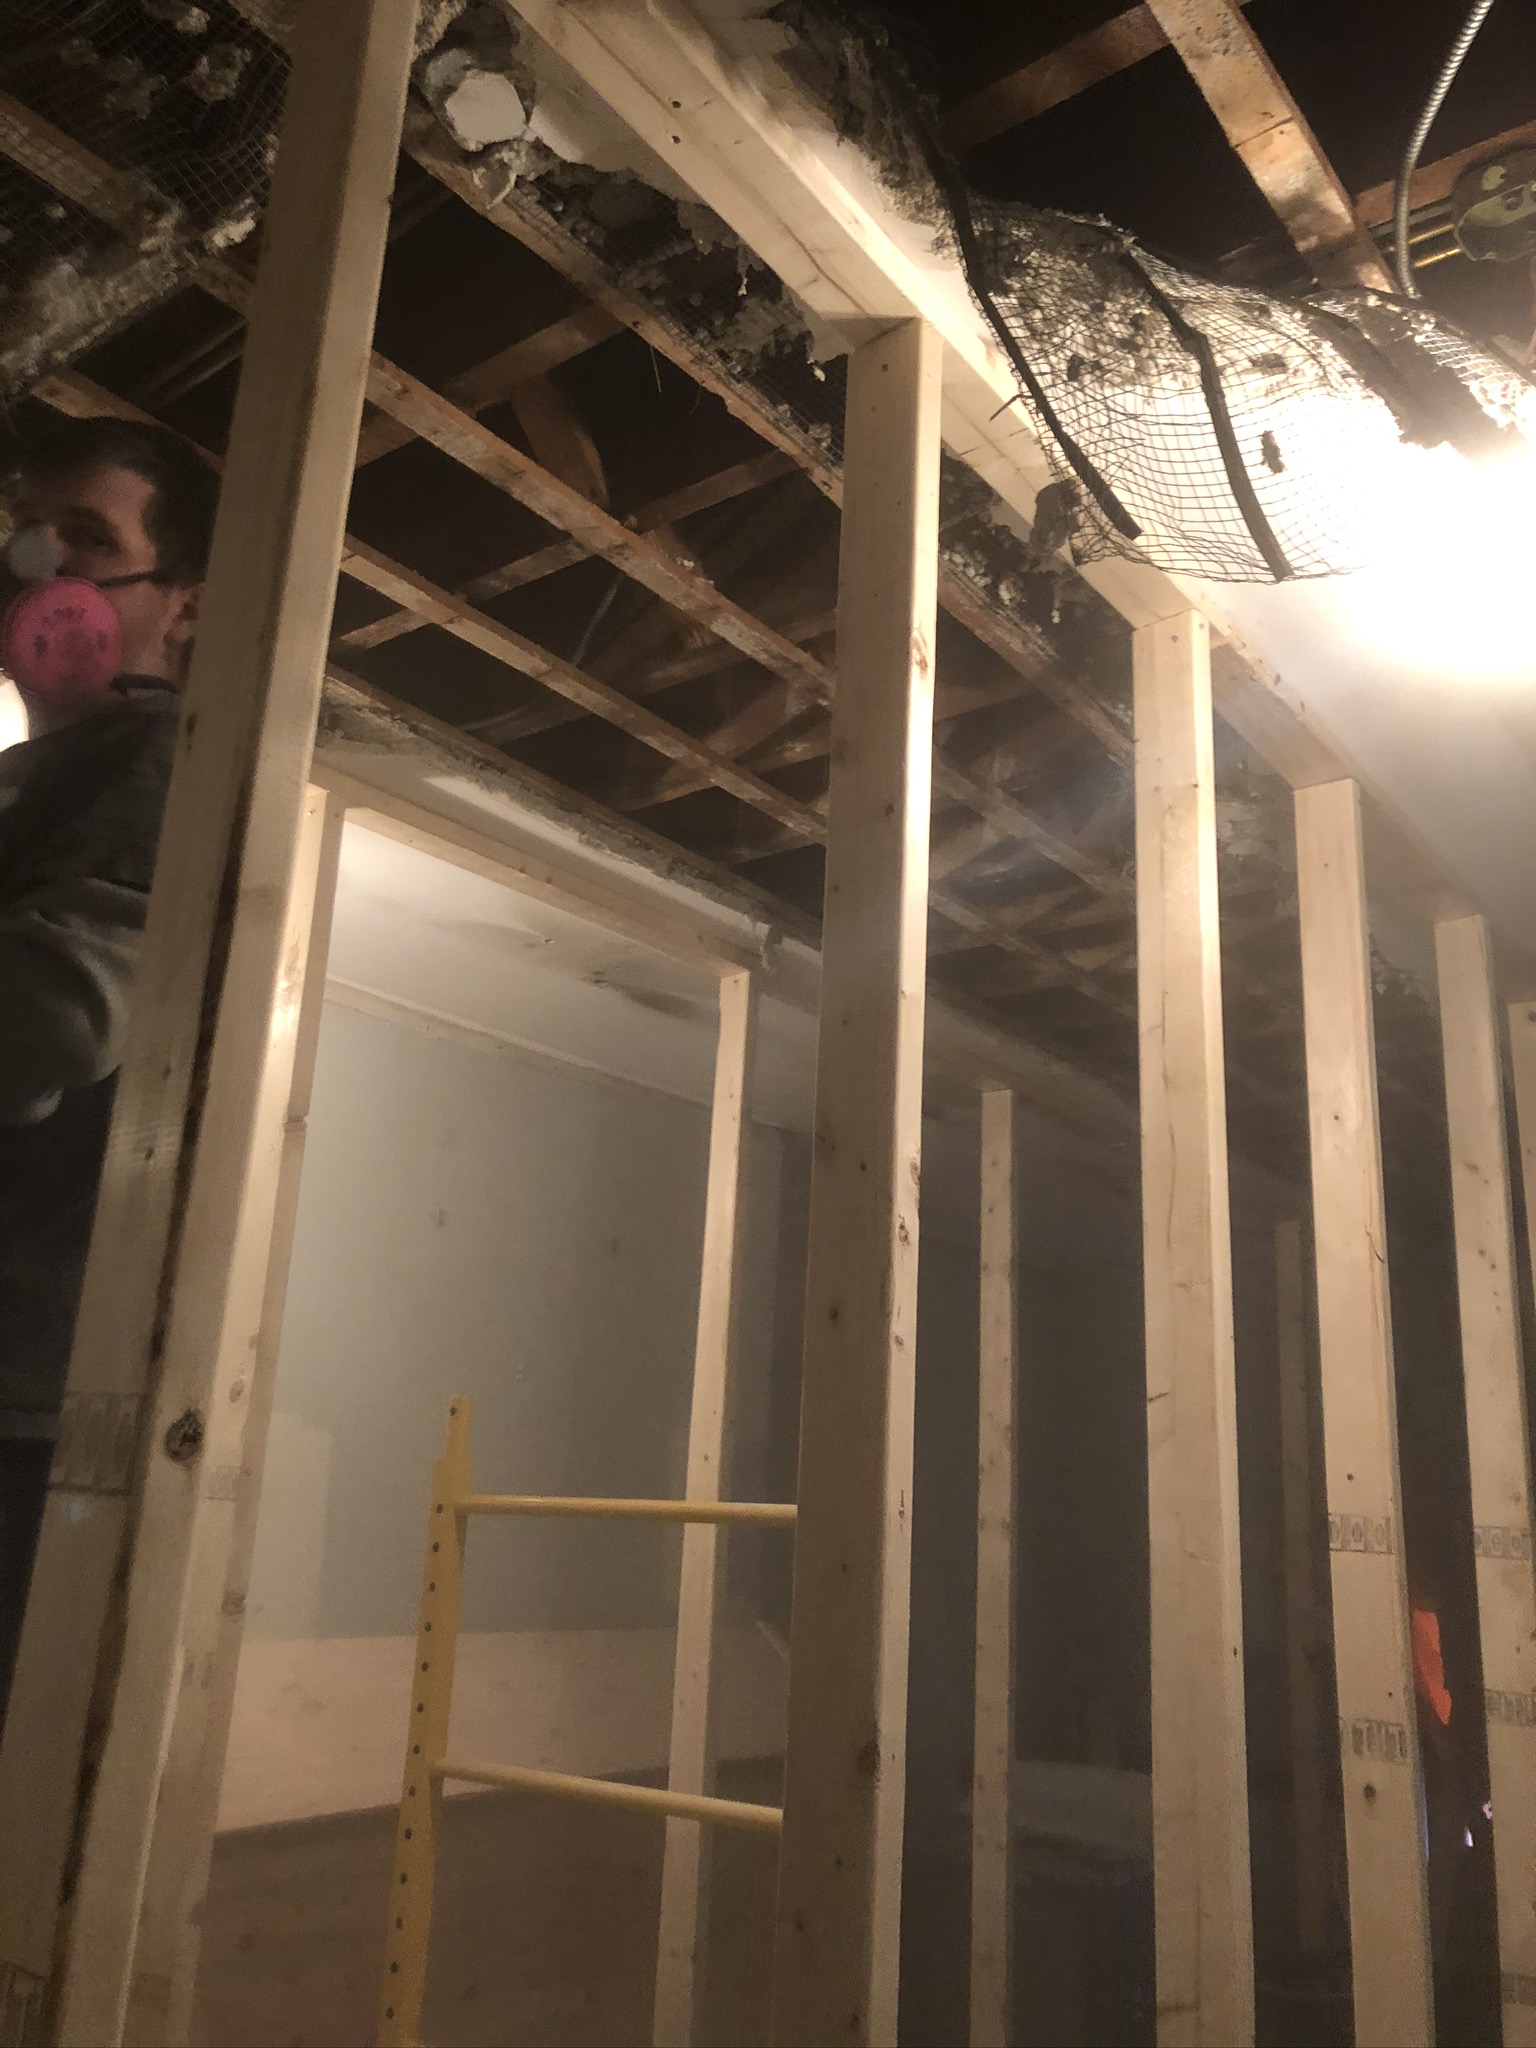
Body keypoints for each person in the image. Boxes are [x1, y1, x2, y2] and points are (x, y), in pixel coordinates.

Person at [0, 415, 219, 1726]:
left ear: (178, 605)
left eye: (86, 540)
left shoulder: (149, 757)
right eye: (25, 532)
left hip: (21, 1395)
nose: (37, 563)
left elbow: (51, 1014)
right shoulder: (46, 776)